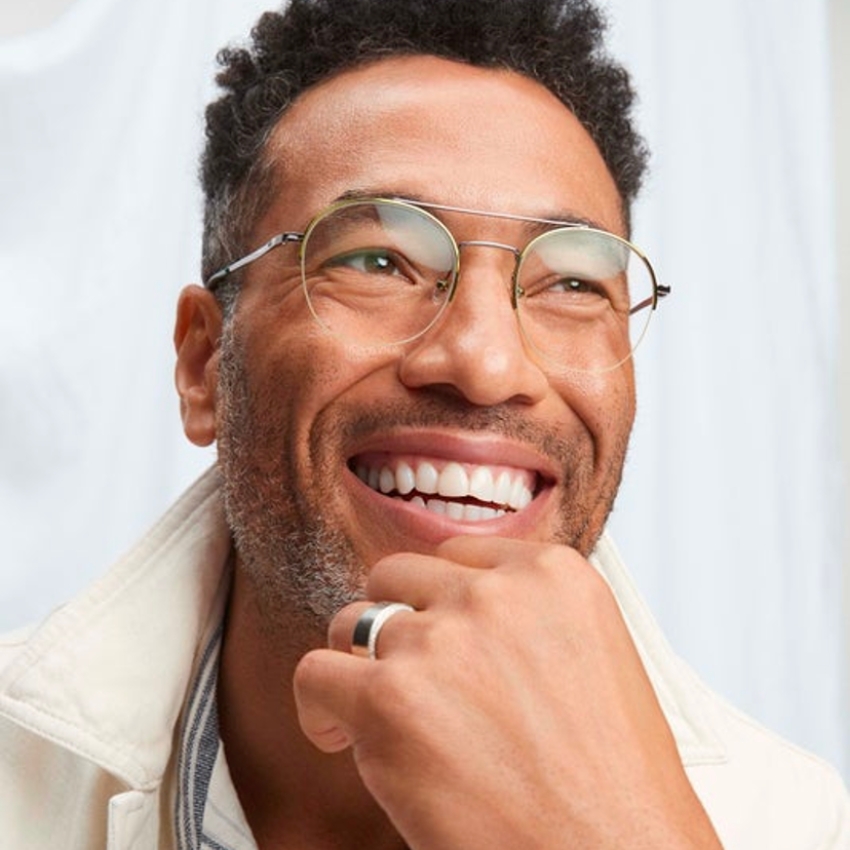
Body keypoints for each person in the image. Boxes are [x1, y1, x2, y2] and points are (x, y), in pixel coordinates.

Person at [1, 0, 848, 847]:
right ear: (202, 367)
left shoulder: (804, 822)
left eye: (574, 283)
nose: (486, 365)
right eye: (377, 261)